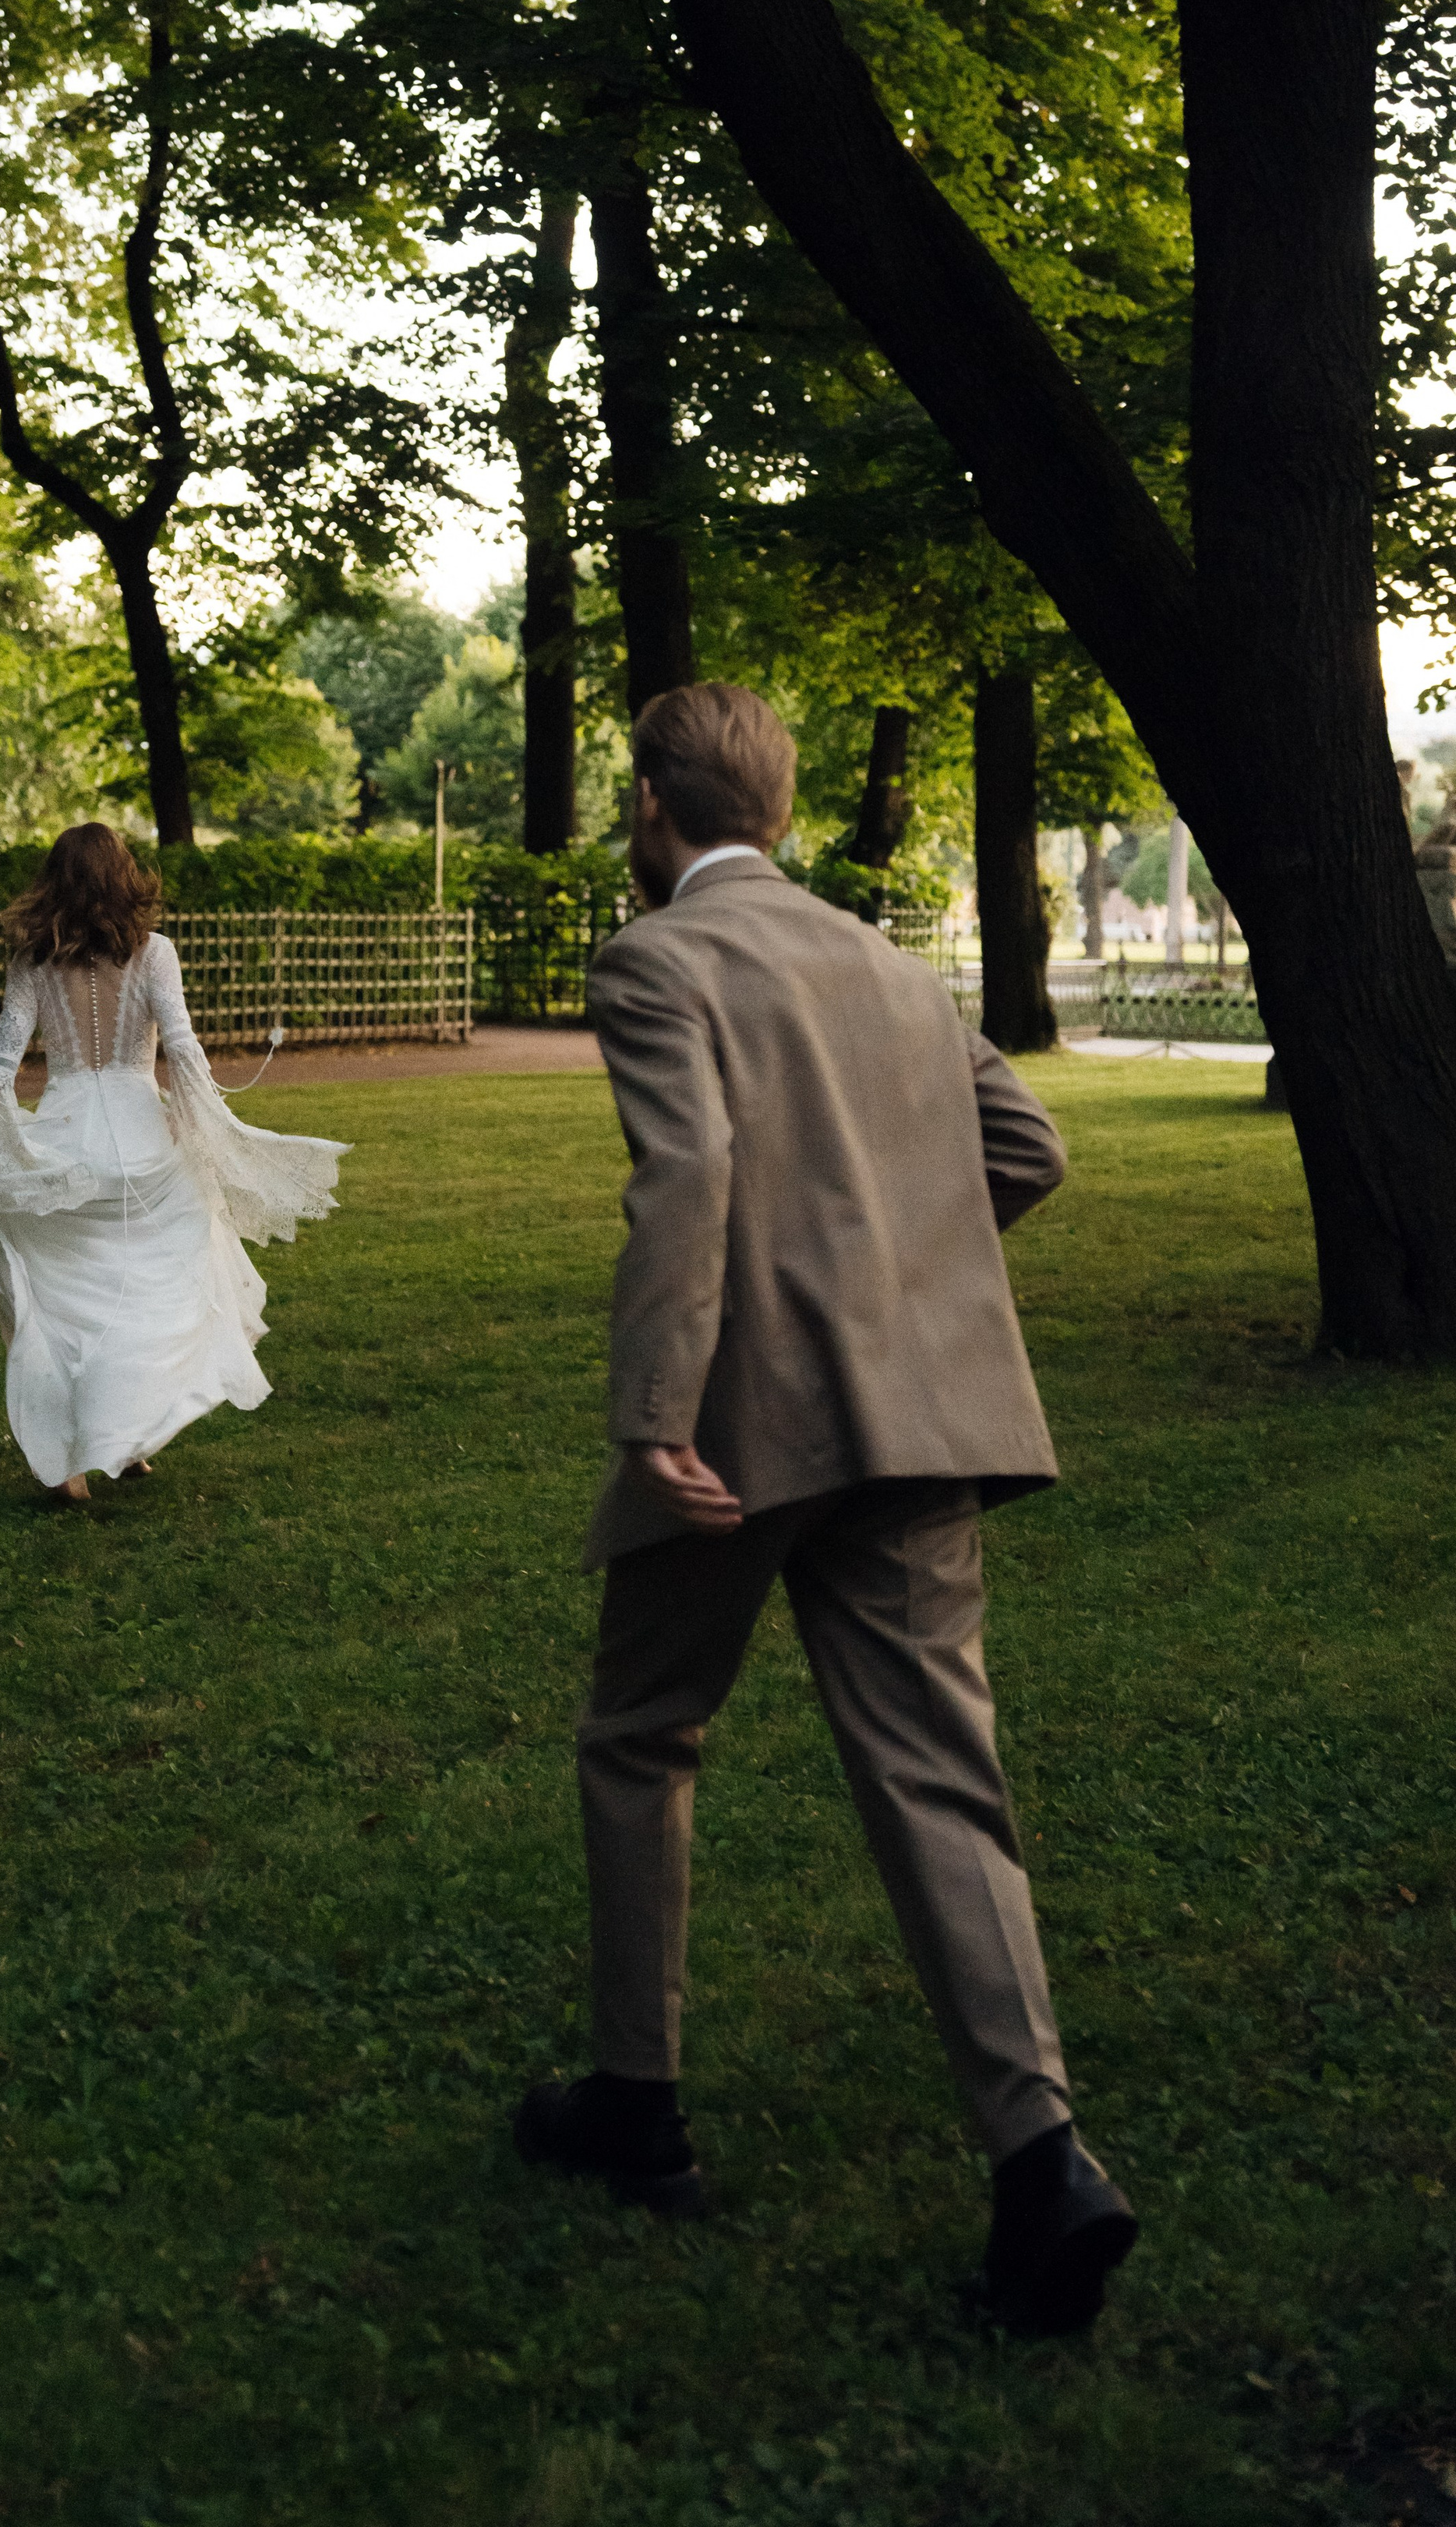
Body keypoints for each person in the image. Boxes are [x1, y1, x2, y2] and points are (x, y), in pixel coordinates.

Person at [513, 684, 1137, 2338]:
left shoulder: (656, 961)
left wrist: (651, 1420)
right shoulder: (887, 964)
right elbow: (1027, 1147)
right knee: (940, 1777)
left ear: (654, 808)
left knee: (640, 1732)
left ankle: (635, 2103)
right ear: (778, 816)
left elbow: (687, 1181)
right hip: (918, 1418)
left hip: (737, 1436)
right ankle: (1042, 2158)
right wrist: (898, 1272)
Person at [0, 822, 346, 1500]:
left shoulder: (33, 961)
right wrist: (204, 1116)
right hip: (141, 1132)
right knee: (153, 1289)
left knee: (61, 1299)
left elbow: (1, 1064)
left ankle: (108, 1447)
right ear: (127, 878)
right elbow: (180, 1044)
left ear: (54, 882)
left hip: (65, 1133)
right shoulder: (155, 954)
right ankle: (119, 1434)